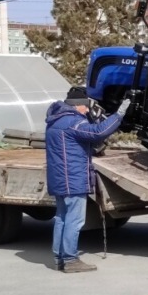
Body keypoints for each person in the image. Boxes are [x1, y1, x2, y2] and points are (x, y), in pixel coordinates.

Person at [45, 86, 126, 273]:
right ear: (77, 106)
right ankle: (71, 260)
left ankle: (59, 258)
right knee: (74, 220)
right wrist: (118, 115)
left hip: (59, 179)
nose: (88, 110)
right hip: (72, 179)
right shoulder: (73, 122)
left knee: (61, 219)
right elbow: (98, 132)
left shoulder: (55, 122)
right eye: (86, 107)